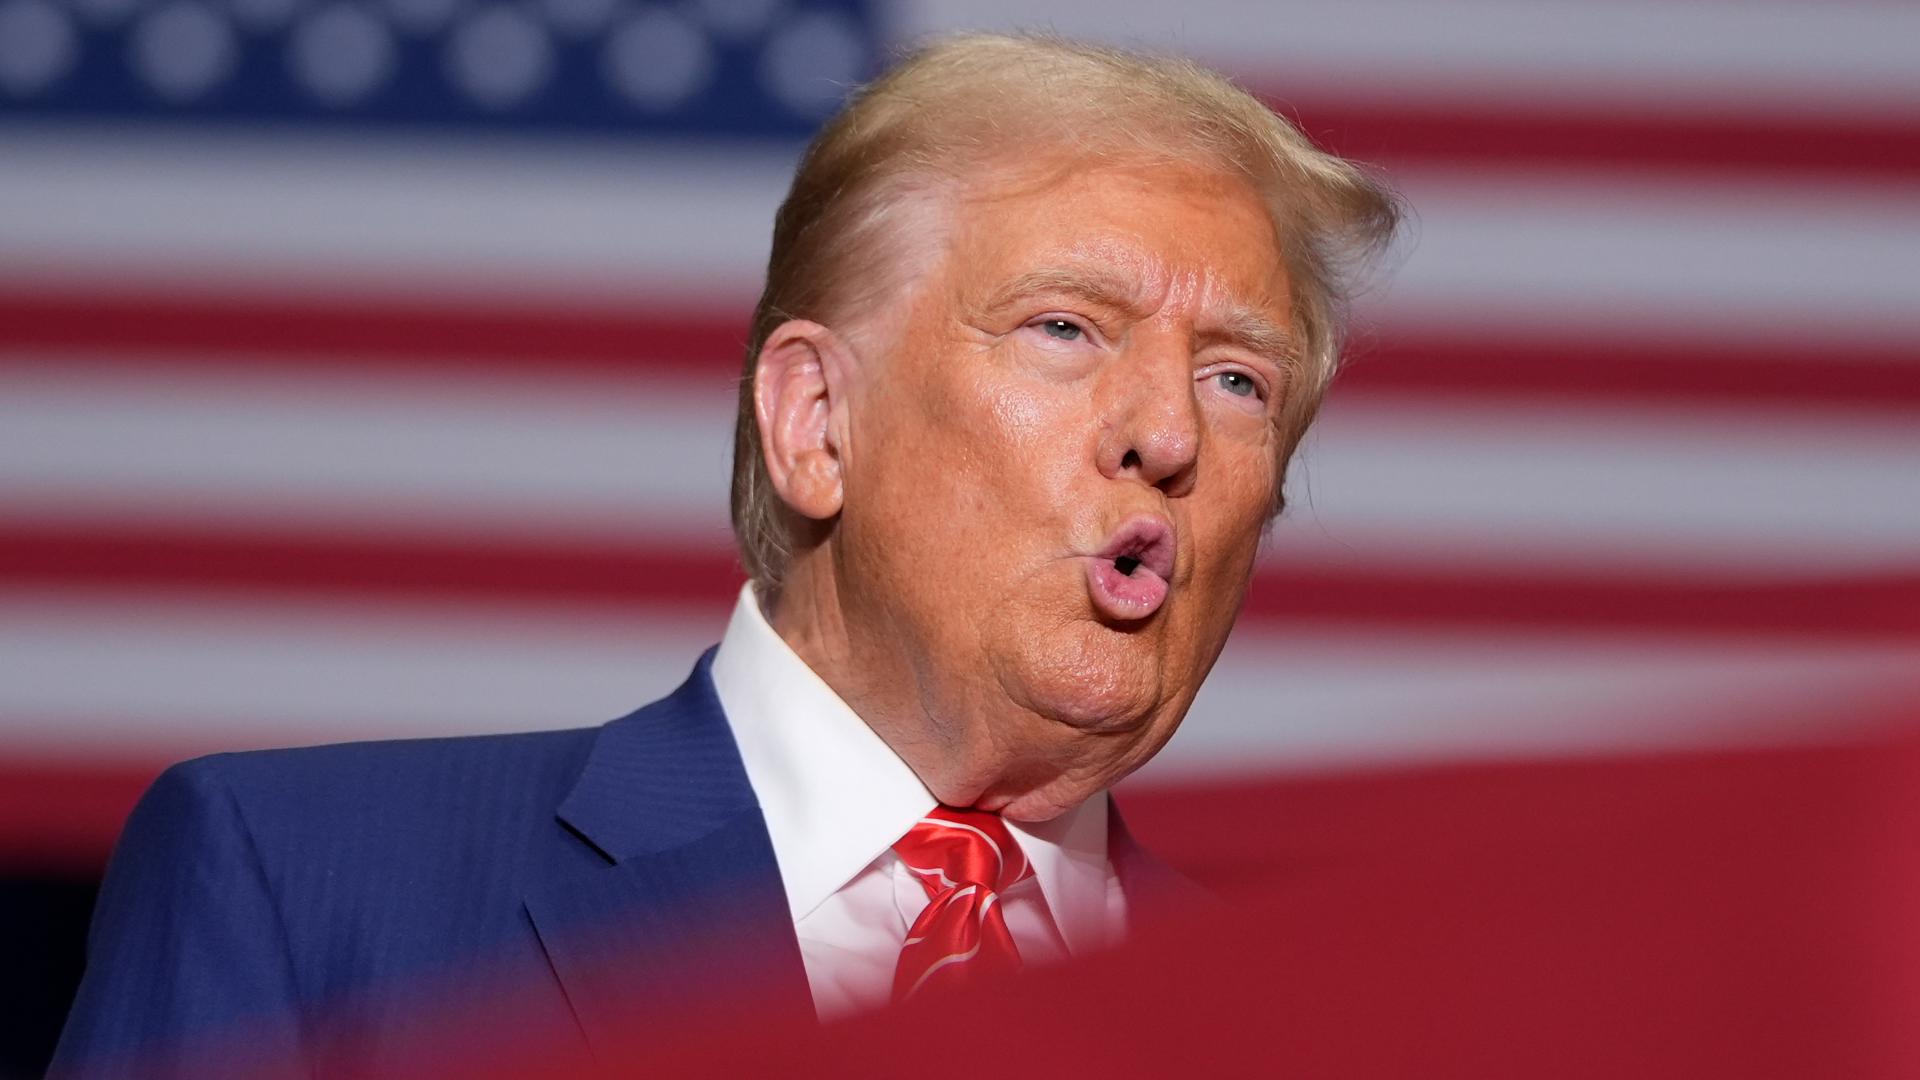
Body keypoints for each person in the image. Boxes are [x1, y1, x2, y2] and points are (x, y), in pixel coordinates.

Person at [50, 33, 1398, 1077]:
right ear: (818, 422)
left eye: (1237, 382)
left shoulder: (1339, 1024)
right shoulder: (304, 891)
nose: (1168, 432)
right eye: (1065, 328)